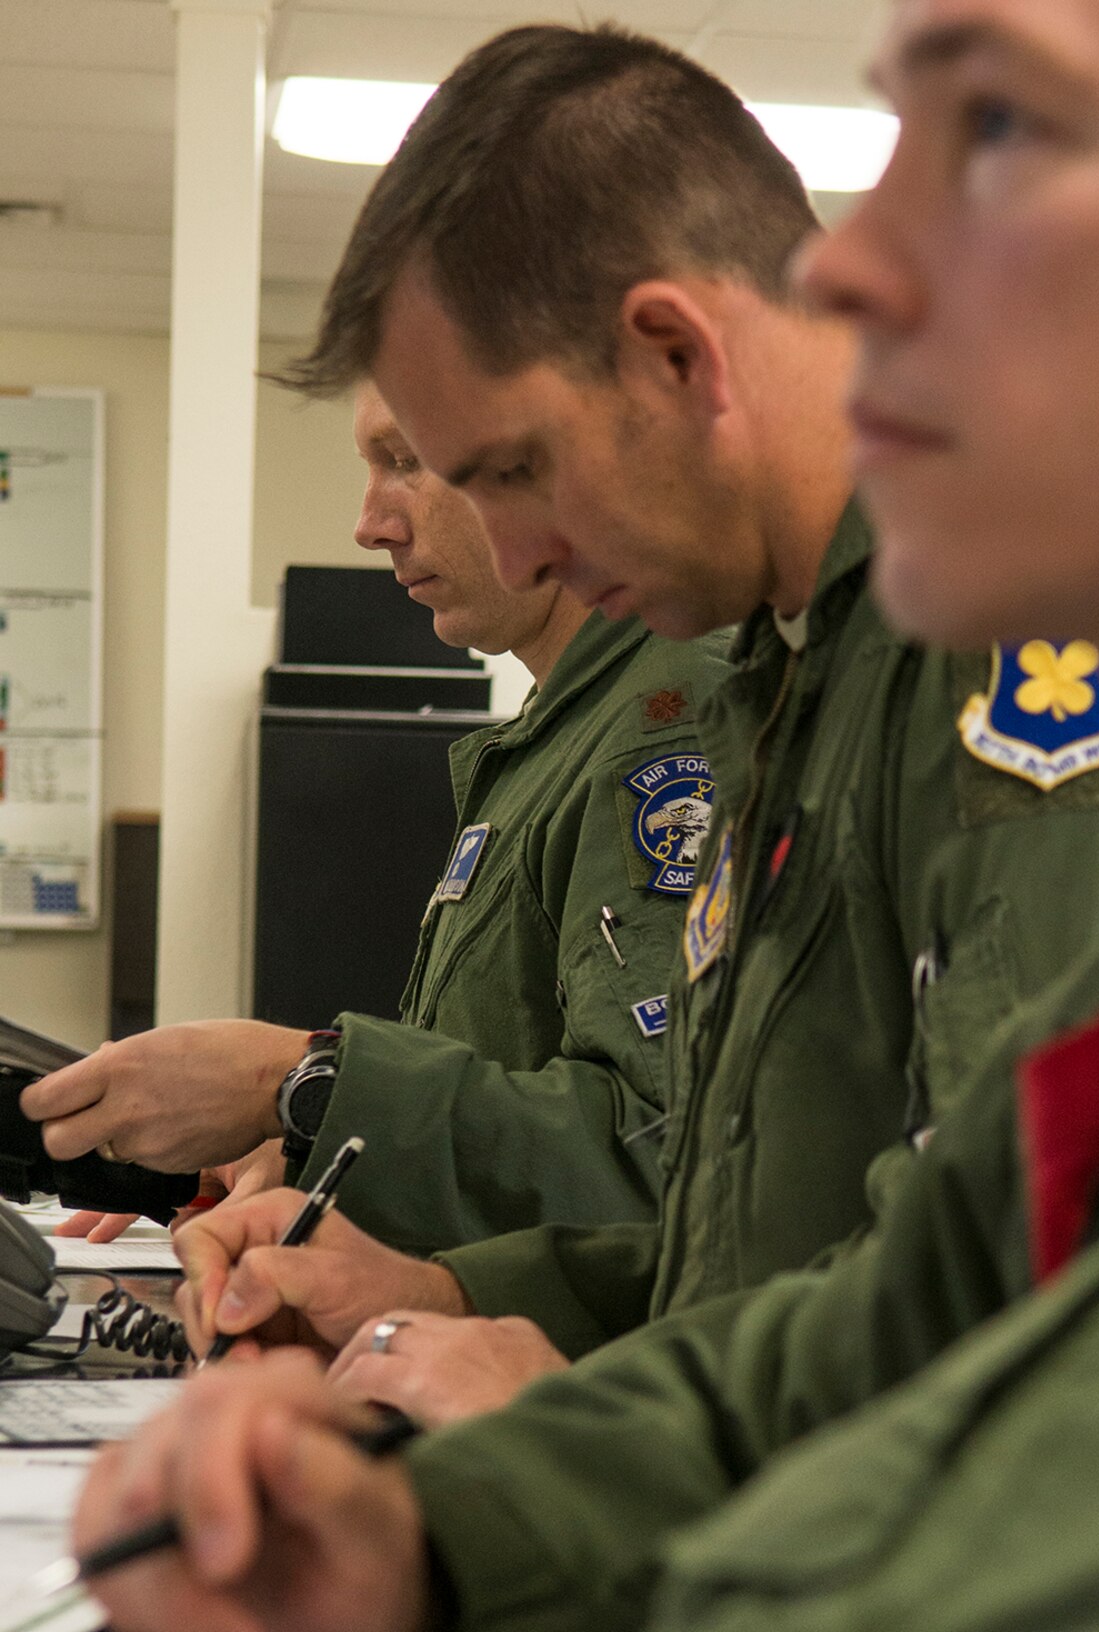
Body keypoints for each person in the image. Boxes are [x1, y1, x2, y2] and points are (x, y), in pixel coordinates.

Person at [76, 0, 1099, 1632]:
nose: (842, 259)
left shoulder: (1011, 704)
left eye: (1000, 125)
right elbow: (878, 1297)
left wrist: (581, 1519)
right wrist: (442, 1542)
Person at [142, 22, 1099, 1401]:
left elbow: (1016, 1318)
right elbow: (777, 1235)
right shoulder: (786, 667)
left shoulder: (1003, 637)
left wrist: (558, 1453)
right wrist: (454, 1292)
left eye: (515, 469)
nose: (513, 557)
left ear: (675, 358)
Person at [25, 381, 733, 1257]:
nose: (371, 525)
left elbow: (663, 1154)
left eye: (406, 462)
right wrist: (319, 1151)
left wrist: (296, 1080)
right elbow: (512, 1088)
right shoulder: (557, 736)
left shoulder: (669, 729)